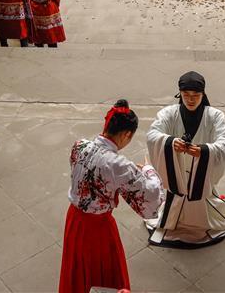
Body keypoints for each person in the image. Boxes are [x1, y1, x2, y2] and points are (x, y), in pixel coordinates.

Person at [59, 100, 163, 293]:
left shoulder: (79, 145)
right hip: (99, 226)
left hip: (74, 218)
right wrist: (148, 170)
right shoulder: (118, 165)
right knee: (107, 273)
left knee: (76, 269)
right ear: (126, 134)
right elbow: (150, 194)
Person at [146, 71, 225, 247]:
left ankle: (199, 222)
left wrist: (205, 151)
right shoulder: (169, 113)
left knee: (199, 200)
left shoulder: (214, 116)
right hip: (178, 170)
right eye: (186, 95)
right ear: (179, 94)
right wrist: (170, 142)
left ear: (203, 95)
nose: (190, 99)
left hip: (200, 174)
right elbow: (152, 134)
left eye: (196, 95)